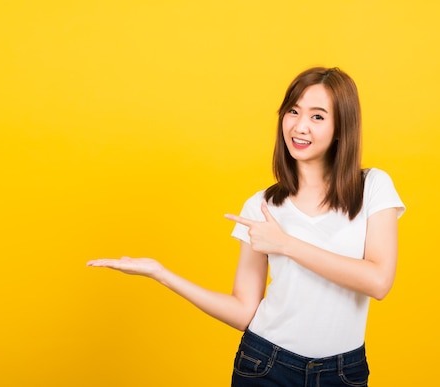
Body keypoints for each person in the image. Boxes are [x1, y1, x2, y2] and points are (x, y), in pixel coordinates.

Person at [87, 67, 405, 387]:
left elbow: (378, 282)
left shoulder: (373, 187)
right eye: (293, 112)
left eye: (318, 116)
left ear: (341, 128)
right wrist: (161, 273)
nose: (300, 126)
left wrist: (285, 244)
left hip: (343, 372)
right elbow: (243, 311)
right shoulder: (263, 206)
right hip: (266, 365)